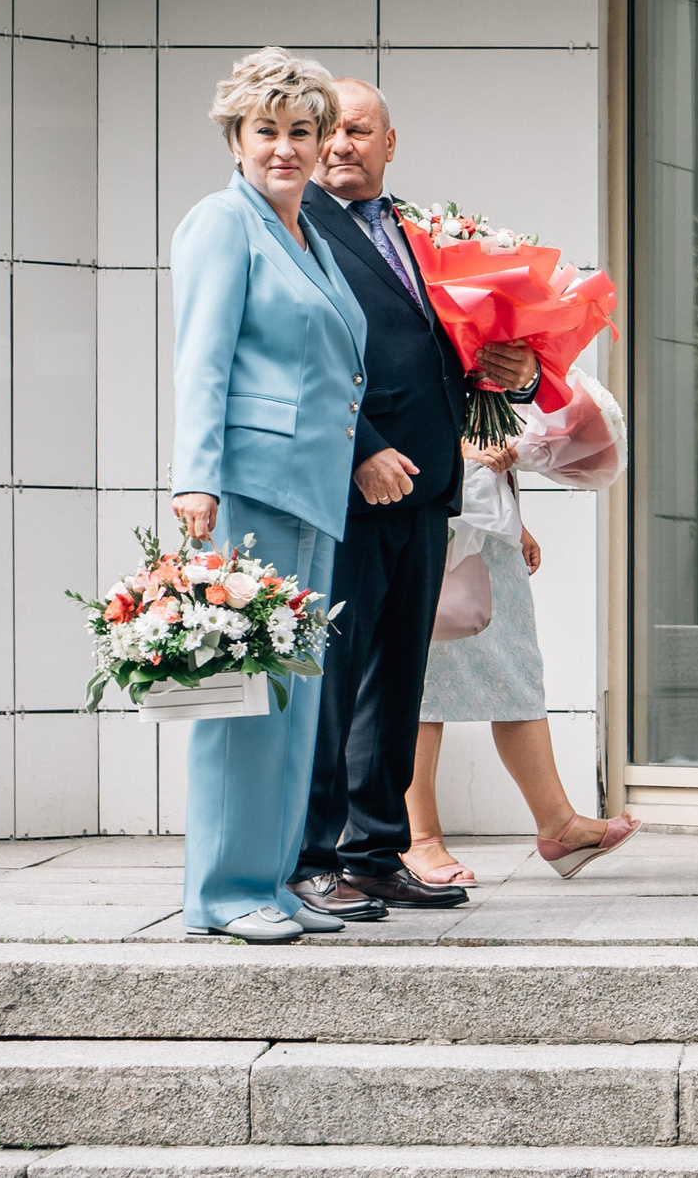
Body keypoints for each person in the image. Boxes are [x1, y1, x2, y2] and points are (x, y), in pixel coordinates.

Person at [294, 80, 538, 919]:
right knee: (333, 676)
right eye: (325, 130)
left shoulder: (424, 231)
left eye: (356, 130)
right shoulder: (296, 226)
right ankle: (312, 856)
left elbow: (466, 343)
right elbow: (304, 357)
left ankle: (375, 850)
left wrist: (519, 370)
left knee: (398, 681)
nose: (337, 145)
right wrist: (360, 451)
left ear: (389, 143)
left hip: (432, 488)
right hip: (349, 485)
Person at [169, 49, 370, 943]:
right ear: (237, 138)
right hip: (247, 489)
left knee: (295, 699)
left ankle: (273, 878)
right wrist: (194, 478)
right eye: (267, 131)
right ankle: (221, 891)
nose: (284, 148)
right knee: (241, 695)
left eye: (301, 131)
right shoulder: (222, 224)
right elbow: (202, 361)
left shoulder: (309, 235)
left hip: (313, 493)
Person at [402, 373, 643, 883]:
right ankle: (417, 839)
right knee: (416, 689)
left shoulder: (479, 339)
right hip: (428, 520)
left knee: (516, 676)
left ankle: (559, 825)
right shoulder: (416, 313)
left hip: (484, 528)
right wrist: (455, 448)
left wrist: (515, 519)